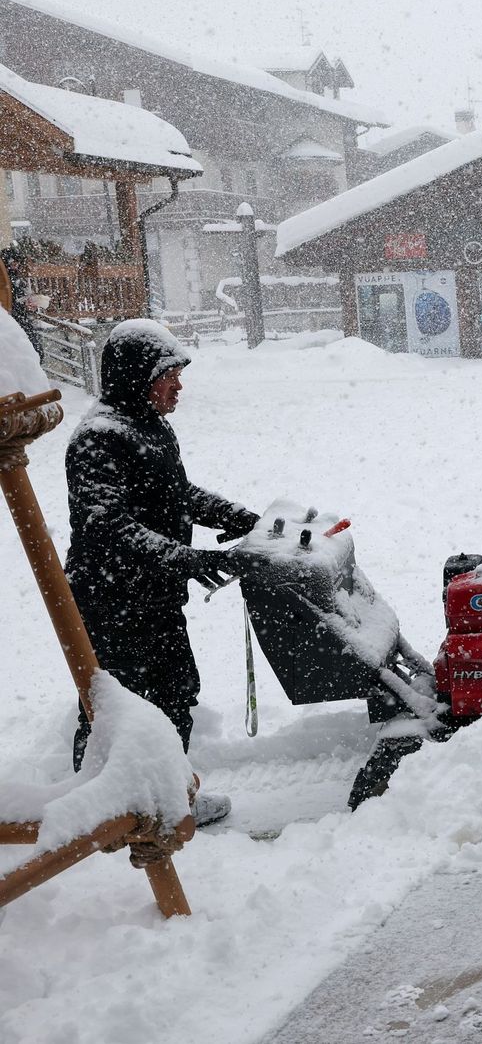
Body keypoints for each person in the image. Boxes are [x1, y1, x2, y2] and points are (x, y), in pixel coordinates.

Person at [65, 319, 258, 826]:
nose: (178, 384)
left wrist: (236, 516)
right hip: (110, 599)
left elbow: (178, 495)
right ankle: (94, 815)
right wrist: (187, 559)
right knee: (116, 707)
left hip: (153, 595)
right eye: (168, 373)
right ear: (137, 376)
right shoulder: (99, 440)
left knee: (175, 692)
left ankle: (170, 799)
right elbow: (109, 527)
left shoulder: (151, 427)